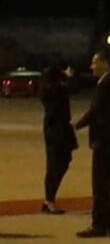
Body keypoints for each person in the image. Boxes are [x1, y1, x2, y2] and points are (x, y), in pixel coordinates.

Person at [73, 50, 110, 238]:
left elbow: (96, 111)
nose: (91, 66)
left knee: (100, 183)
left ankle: (99, 224)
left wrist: (77, 124)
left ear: (105, 63)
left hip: (105, 141)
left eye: (94, 62)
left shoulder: (105, 85)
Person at [40, 65, 78, 214]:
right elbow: (73, 88)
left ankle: (49, 199)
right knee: (56, 164)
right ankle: (49, 199)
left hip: (58, 129)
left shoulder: (49, 88)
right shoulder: (53, 89)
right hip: (57, 130)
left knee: (60, 163)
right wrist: (68, 76)